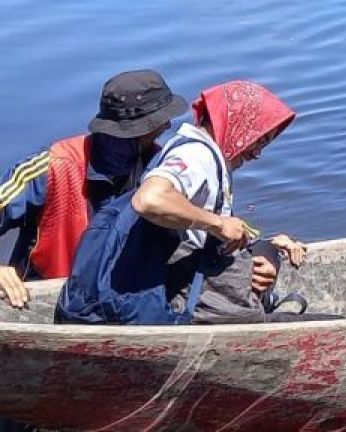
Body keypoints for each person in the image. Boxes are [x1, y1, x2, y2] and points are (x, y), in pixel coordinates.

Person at [57, 80, 307, 325]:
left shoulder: (202, 151)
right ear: (238, 125)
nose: (258, 153)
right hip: (181, 292)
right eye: (259, 140)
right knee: (305, 317)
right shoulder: (196, 156)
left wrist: (262, 240)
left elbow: (207, 216)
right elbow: (149, 199)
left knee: (267, 251)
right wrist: (218, 224)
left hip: (178, 273)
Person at [0, 70, 188, 310]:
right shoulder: (51, 167)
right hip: (54, 296)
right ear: (137, 130)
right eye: (160, 121)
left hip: (128, 296)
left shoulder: (161, 169)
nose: (168, 125)